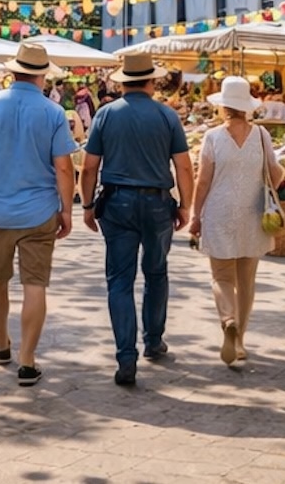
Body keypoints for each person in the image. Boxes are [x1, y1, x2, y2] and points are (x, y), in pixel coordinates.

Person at [0, 40, 75, 387]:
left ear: (13, 71)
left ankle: (2, 342)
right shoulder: (53, 112)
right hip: (40, 213)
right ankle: (27, 361)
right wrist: (66, 210)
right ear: (42, 76)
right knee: (35, 285)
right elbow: (64, 169)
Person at [78, 55, 193, 386]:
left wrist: (87, 205)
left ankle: (125, 357)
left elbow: (88, 167)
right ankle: (153, 341)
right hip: (158, 204)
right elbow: (184, 167)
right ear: (152, 81)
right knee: (156, 272)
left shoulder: (106, 114)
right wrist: (186, 205)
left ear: (122, 81)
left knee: (119, 279)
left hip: (117, 203)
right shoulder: (167, 115)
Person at [187, 76, 284, 368]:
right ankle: (239, 340)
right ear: (247, 106)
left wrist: (195, 215)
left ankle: (227, 320)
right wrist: (266, 190)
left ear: (224, 106)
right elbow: (275, 173)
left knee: (221, 277)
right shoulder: (261, 136)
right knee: (246, 280)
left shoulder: (213, 137)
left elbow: (202, 181)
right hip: (253, 212)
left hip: (219, 212)